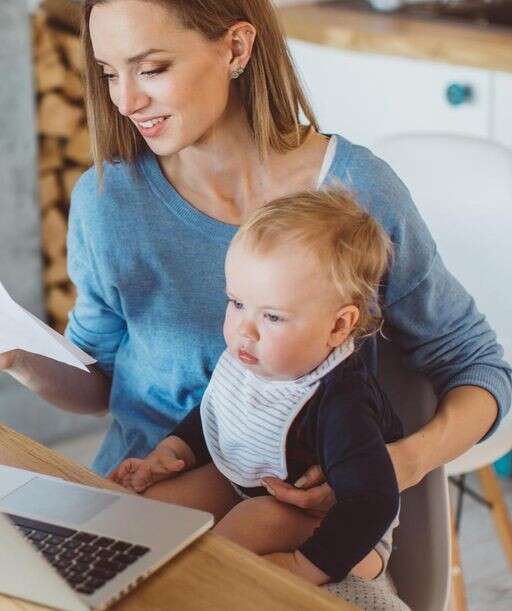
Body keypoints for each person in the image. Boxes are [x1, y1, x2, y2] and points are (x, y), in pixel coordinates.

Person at [0, 0, 510, 526]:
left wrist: (400, 463)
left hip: (290, 526)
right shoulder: (109, 202)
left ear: (235, 47)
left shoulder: (356, 194)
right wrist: (13, 353)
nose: (125, 100)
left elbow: (475, 364)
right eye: (108, 73)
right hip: (137, 501)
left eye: (152, 69)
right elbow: (97, 386)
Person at [109, 189, 402, 586]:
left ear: (337, 327)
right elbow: (221, 413)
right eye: (237, 303)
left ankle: (195, 588)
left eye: (274, 317)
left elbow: (372, 502)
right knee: (151, 510)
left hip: (344, 530)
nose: (245, 329)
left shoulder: (341, 401)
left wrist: (304, 567)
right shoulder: (256, 356)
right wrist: (169, 452)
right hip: (251, 485)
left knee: (237, 536)